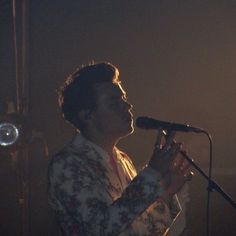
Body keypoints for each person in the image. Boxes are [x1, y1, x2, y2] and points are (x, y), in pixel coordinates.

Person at [48, 62, 193, 236]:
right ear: (87, 115)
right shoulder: (67, 164)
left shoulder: (123, 160)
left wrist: (167, 192)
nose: (127, 105)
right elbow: (99, 229)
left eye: (123, 98)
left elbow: (144, 230)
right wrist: (151, 173)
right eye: (113, 102)